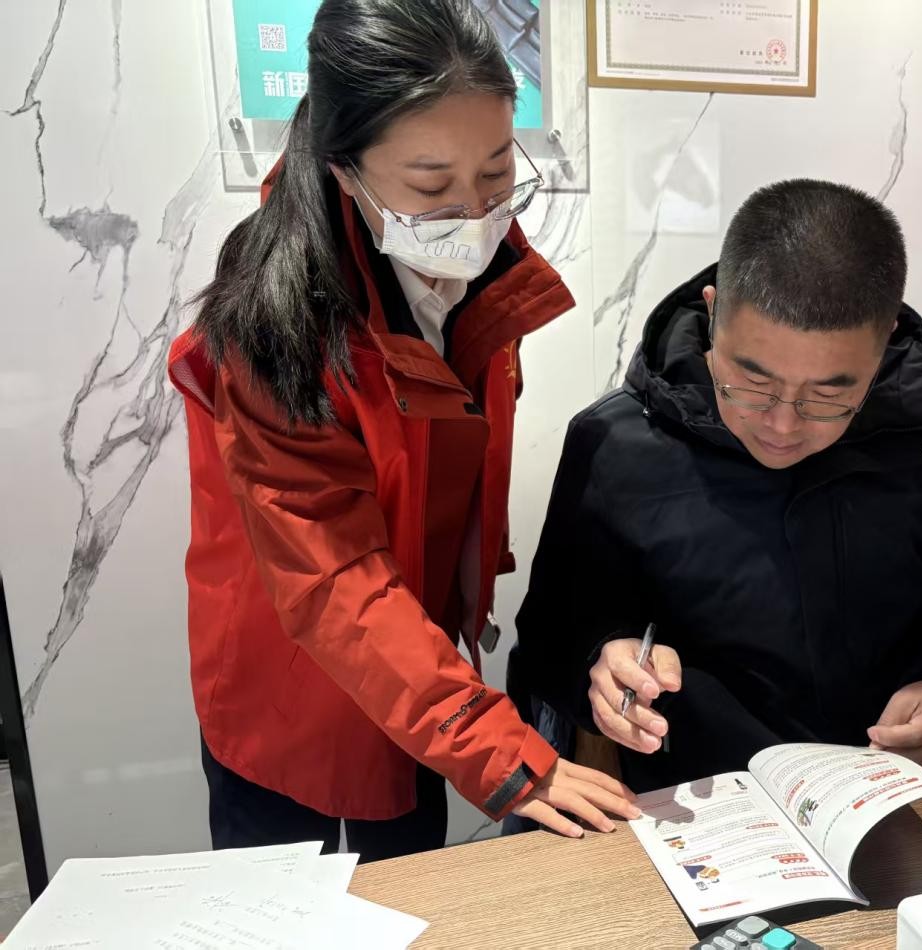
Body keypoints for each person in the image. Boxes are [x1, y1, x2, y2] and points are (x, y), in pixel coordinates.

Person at [167, 0, 636, 860]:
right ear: (342, 168)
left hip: (418, 667)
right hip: (291, 676)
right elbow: (331, 578)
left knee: (414, 885)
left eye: (497, 171)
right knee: (292, 904)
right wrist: (498, 751)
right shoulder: (271, 321)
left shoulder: (485, 269)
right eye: (430, 186)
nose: (475, 212)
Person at [512, 179, 922, 793]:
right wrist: (603, 663)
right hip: (708, 803)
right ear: (713, 311)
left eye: (829, 394)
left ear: (884, 342)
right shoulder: (617, 442)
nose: (783, 426)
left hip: (901, 784)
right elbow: (553, 636)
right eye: (753, 382)